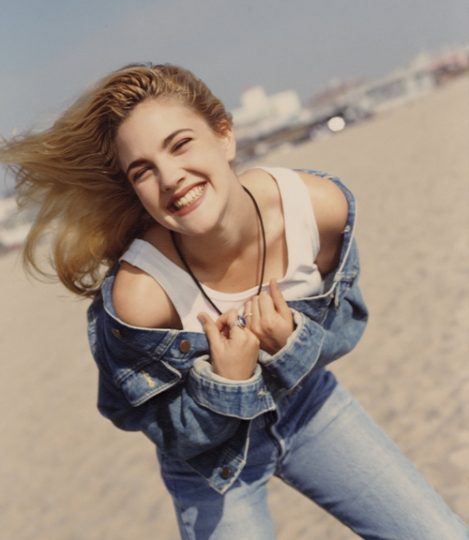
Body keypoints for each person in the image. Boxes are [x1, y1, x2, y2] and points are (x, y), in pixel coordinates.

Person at [1, 63, 467, 540]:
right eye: (143, 171)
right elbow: (140, 417)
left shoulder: (315, 210)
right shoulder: (141, 294)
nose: (171, 179)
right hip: (212, 462)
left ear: (224, 134)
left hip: (308, 407)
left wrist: (293, 344)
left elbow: (348, 324)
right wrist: (227, 384)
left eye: (180, 145)